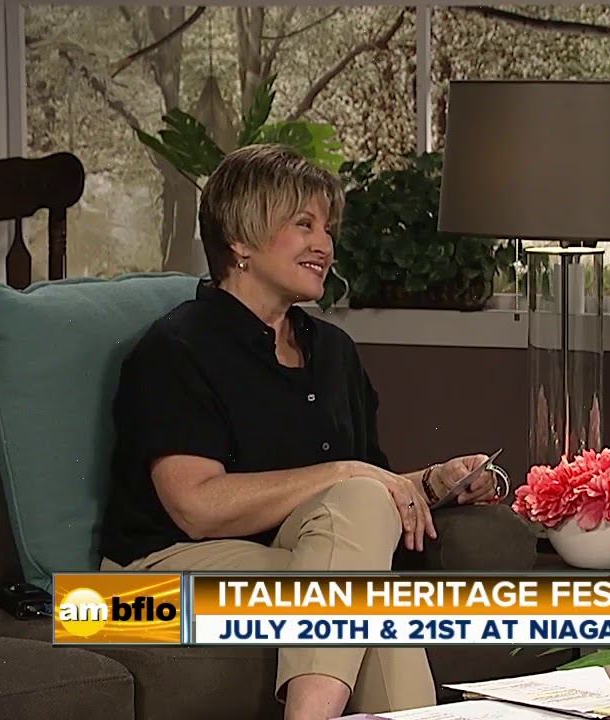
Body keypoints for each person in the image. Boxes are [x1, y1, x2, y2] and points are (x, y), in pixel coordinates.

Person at [99, 144, 508, 720]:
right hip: (151, 581)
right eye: (303, 224)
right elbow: (196, 508)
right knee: (370, 596)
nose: (325, 244)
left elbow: (357, 496)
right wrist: (348, 474)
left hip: (303, 553)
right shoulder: (177, 350)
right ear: (239, 239)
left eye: (328, 229)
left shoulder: (332, 352)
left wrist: (434, 481)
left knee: (364, 583)